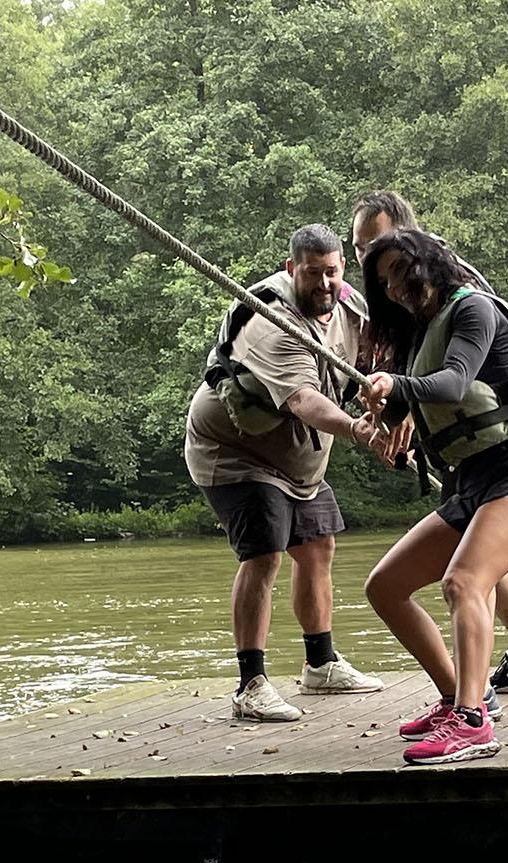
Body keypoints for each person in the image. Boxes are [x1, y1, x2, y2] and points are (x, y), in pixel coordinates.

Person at [359, 229, 508, 764]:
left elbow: (453, 384)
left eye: (400, 271)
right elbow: (419, 400)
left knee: (464, 581)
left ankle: (473, 723)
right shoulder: (420, 332)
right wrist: (384, 412)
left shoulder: (473, 309)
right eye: (384, 282)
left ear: (428, 261)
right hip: (470, 483)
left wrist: (396, 386)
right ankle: (457, 698)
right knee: (385, 587)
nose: (395, 287)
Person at [185, 223, 385, 722]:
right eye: (312, 273)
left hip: (298, 462)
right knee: (265, 555)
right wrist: (357, 430)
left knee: (317, 546)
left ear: (343, 267)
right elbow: (303, 401)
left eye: (332, 272)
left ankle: (320, 666)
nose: (324, 284)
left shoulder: (352, 307)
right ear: (292, 268)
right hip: (234, 454)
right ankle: (250, 685)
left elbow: (376, 359)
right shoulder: (273, 322)